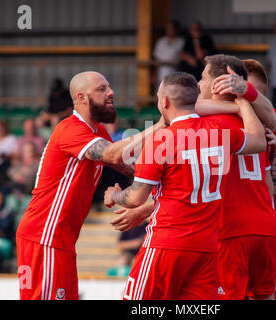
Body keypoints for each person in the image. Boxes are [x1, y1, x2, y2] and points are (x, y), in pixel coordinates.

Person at [104, 71, 266, 300]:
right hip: (206, 247)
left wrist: (115, 194)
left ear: (164, 102)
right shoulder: (220, 132)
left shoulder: (161, 139)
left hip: (166, 243)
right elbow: (258, 141)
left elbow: (135, 198)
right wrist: (242, 103)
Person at [15, 71, 165, 300]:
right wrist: (160, 126)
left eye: (109, 87)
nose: (111, 92)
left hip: (60, 238)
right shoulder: (70, 129)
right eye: (102, 89)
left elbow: (131, 167)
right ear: (82, 97)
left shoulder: (97, 131)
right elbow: (114, 155)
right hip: (44, 235)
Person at [193, 58, 276, 300]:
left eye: (246, 88)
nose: (241, 94)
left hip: (251, 227)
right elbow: (272, 186)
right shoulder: (259, 125)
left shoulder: (220, 122)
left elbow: (185, 108)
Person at [200, 56, 276, 300]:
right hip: (266, 226)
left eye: (203, 78)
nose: (198, 84)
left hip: (231, 229)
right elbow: (269, 189)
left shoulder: (207, 124)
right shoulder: (258, 126)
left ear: (216, 85)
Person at [153, 20, 185, 85]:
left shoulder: (181, 41)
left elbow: (183, 57)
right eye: (167, 28)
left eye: (171, 28)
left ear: (176, 29)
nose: (169, 30)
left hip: (176, 76)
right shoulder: (161, 41)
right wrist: (154, 75)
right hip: (161, 76)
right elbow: (156, 59)